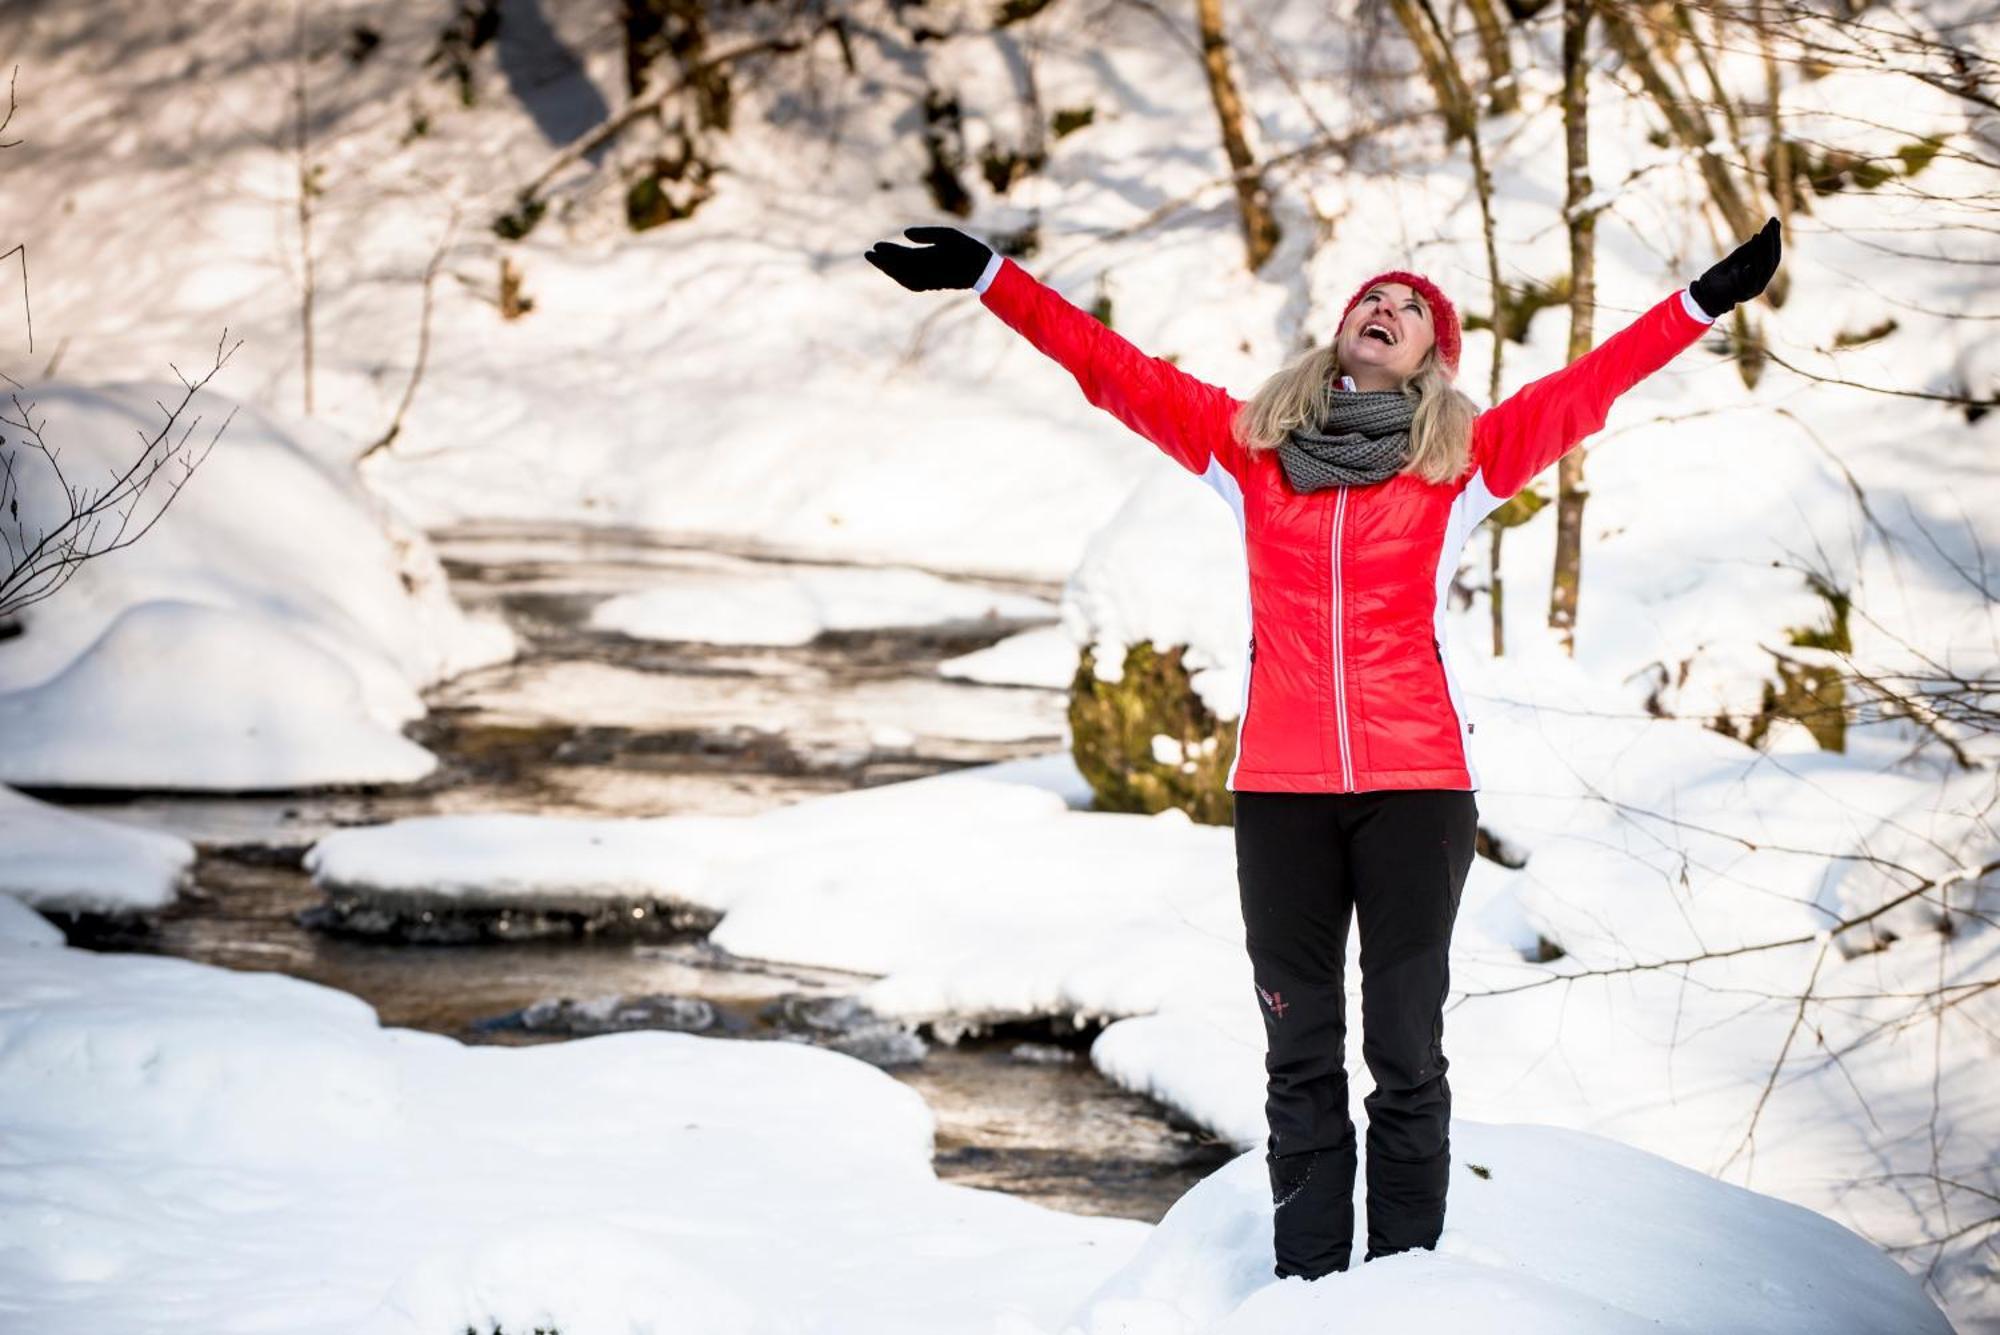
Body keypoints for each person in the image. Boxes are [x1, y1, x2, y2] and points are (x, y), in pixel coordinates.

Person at [864, 218, 1783, 1279]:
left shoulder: (1462, 464)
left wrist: (1701, 299)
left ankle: (1399, 1284)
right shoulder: (1247, 454)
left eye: (1407, 311)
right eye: (1367, 300)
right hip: (1279, 797)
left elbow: (1589, 386)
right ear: (1338, 333)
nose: (1381, 310)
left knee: (1403, 1050)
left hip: (1416, 789)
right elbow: (1108, 369)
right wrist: (987, 274)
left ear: (1431, 360)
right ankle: (1304, 1281)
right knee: (1297, 1053)